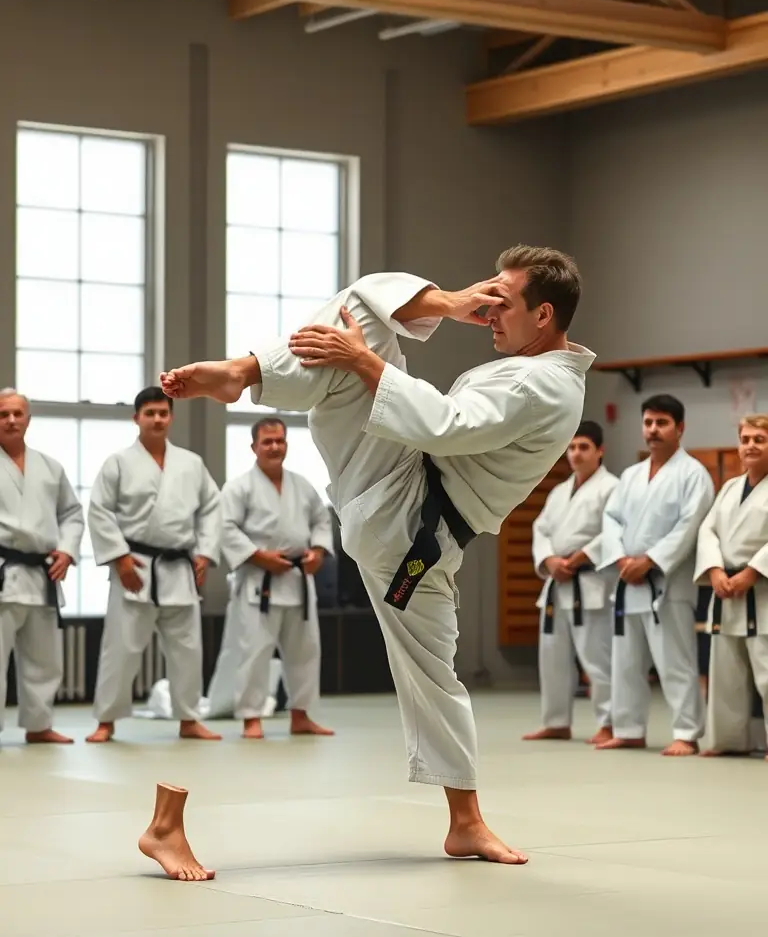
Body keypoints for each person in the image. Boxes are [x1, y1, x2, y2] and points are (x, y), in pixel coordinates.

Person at [139, 246, 595, 881]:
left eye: (502, 301)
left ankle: (246, 374)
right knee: (435, 675)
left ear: (544, 314)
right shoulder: (538, 372)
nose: (491, 312)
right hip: (412, 525)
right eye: (485, 297)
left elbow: (443, 422)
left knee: (361, 329)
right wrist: (443, 308)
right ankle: (464, 822)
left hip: (405, 508)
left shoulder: (540, 384)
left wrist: (366, 361)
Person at [86, 387, 222, 743]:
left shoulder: (191, 463)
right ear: (137, 418)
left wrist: (205, 553)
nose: (158, 419)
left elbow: (212, 508)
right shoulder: (118, 462)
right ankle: (107, 720)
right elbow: (99, 510)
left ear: (171, 417)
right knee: (121, 648)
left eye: (163, 413)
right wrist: (119, 557)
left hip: (179, 567)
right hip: (135, 567)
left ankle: (189, 718)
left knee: (188, 650)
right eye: (150, 413)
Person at [597, 394, 714, 756]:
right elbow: (611, 520)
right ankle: (629, 728)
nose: (653, 430)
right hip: (628, 581)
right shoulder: (630, 476)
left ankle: (687, 732)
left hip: (667, 584)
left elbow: (689, 526)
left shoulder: (694, 475)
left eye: (661, 423)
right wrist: (620, 558)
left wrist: (649, 560)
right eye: (648, 423)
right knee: (626, 661)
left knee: (676, 660)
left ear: (680, 428)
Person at [207, 417, 335, 739]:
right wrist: (258, 556)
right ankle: (251, 717)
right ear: (254, 447)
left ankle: (301, 715)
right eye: (267, 442)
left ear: (287, 444)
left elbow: (321, 520)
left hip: (296, 579)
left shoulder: (303, 486)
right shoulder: (239, 487)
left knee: (305, 652)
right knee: (254, 652)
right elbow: (225, 528)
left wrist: (318, 552)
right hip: (257, 583)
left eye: (279, 441)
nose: (274, 446)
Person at [524, 420, 618, 744]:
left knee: (597, 657)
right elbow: (541, 529)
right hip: (556, 584)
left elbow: (616, 531)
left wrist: (584, 555)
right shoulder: (559, 491)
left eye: (584, 447)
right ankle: (556, 721)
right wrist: (549, 560)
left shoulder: (612, 488)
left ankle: (609, 722)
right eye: (572, 447)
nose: (575, 453)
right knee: (552, 656)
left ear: (600, 451)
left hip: (590, 583)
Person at [0, 388, 84, 744]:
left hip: (42, 574)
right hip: (4, 571)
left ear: (28, 420)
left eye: (18, 414)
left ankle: (39, 726)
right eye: (4, 414)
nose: (11, 420)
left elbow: (72, 514)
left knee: (44, 658)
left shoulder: (50, 467)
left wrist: (66, 550)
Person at [695, 415, 768, 757]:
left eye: (759, 439)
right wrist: (713, 570)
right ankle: (727, 740)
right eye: (745, 438)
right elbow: (707, 530)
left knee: (766, 673)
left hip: (761, 592)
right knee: (725, 672)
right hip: (726, 590)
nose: (750, 445)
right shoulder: (729, 488)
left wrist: (753, 571)